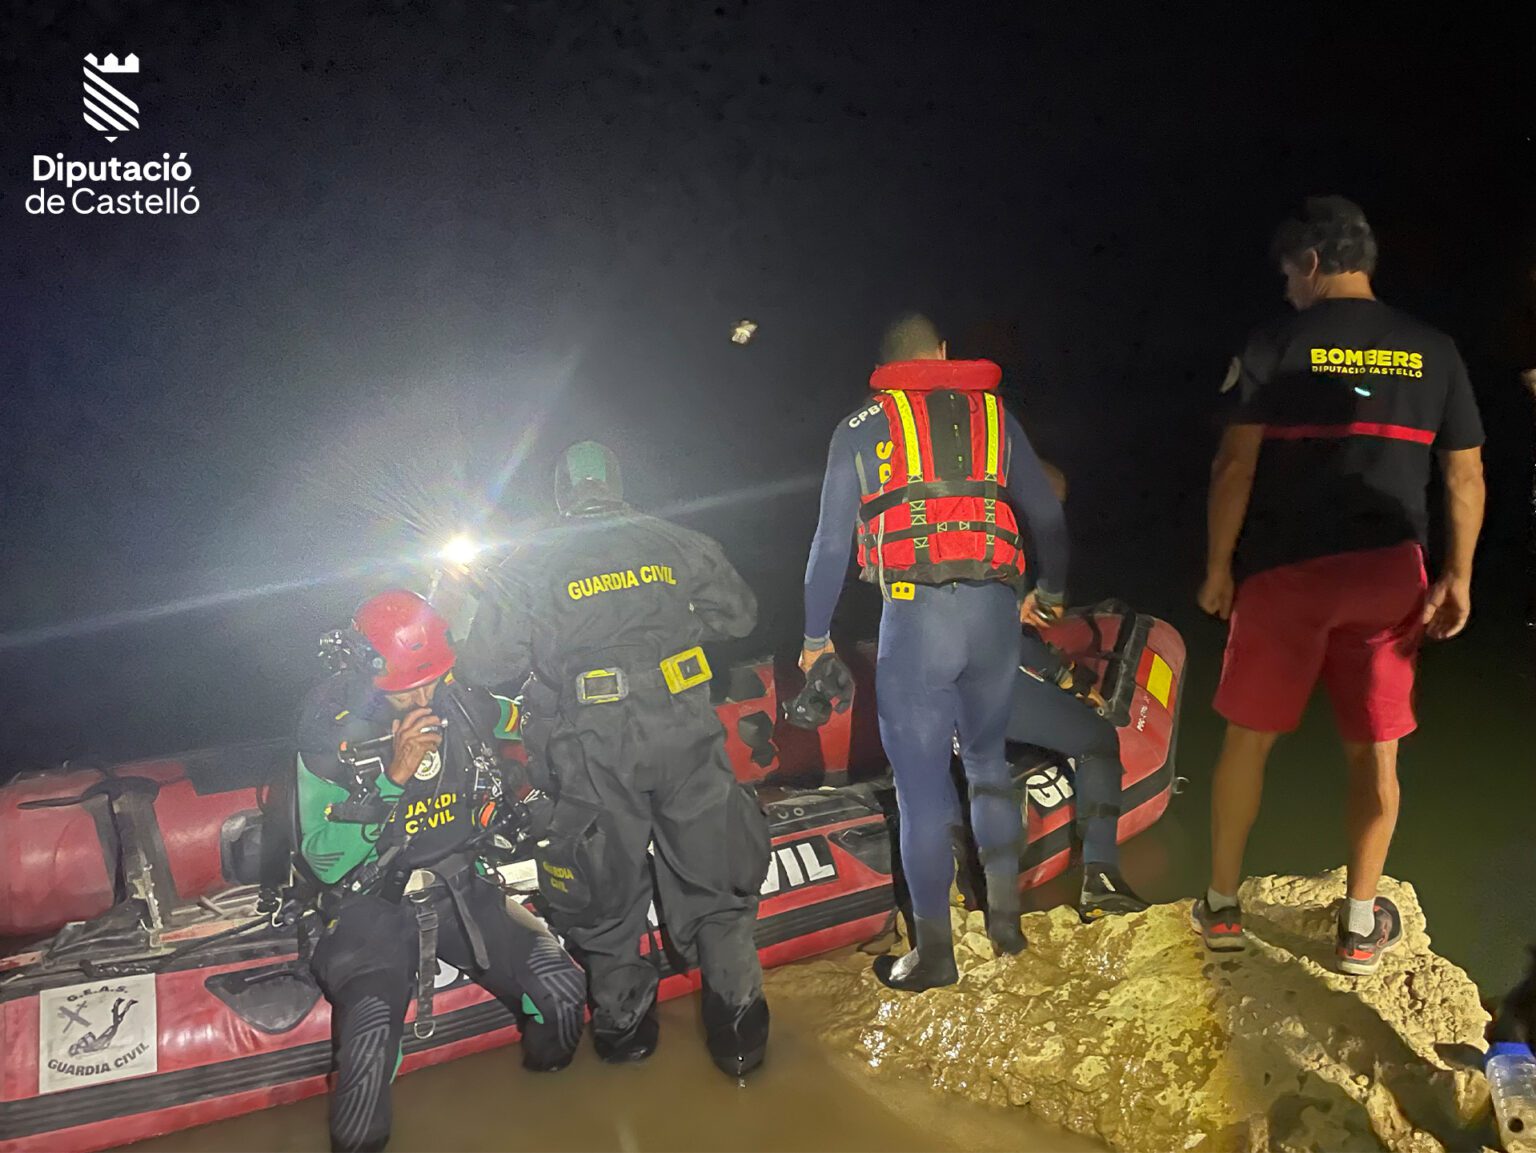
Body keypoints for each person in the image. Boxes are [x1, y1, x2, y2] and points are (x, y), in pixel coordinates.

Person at [1193, 196, 1486, 974]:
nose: (1289, 288)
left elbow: (1234, 465)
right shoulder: (1434, 349)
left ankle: (1222, 907)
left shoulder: (1274, 342)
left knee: (1248, 741)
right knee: (1376, 753)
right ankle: (1359, 928)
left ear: (1313, 262)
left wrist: (1218, 566)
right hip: (1388, 575)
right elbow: (1464, 476)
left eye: (1290, 273)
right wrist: (1457, 575)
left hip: (1285, 572)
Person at [455, 442, 771, 1077]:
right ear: (618, 485)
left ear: (561, 494)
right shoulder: (676, 541)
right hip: (683, 727)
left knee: (601, 883)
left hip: (593, 743)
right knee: (716, 872)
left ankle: (626, 1035)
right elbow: (739, 616)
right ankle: (740, 1032)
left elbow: (484, 665)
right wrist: (671, 630)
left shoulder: (530, 564)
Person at [800, 313, 1070, 990]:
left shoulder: (857, 428)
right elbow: (1047, 515)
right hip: (993, 611)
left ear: (886, 369)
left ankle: (935, 955)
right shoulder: (994, 414)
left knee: (920, 794)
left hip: (916, 618)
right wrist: (1053, 588)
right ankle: (1006, 928)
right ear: (944, 353)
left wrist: (814, 638)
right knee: (986, 764)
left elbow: (830, 545)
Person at [296, 590, 586, 1152]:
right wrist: (393, 778)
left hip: (462, 886)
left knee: (562, 989)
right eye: (407, 687)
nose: (423, 697)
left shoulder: (464, 702)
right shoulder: (329, 737)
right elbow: (321, 859)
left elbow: (526, 718)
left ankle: (549, 1103)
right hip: (370, 908)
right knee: (369, 1045)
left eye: (431, 681)